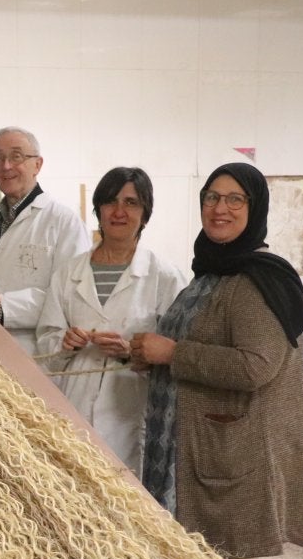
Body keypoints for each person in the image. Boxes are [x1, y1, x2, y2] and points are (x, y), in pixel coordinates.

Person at [131, 163, 303, 559]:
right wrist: (154, 357)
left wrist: (173, 353)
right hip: (188, 447)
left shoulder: (255, 281)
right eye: (212, 197)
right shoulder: (213, 270)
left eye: (235, 199)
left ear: (255, 208)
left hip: (230, 458)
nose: (220, 208)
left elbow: (255, 366)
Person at [36, 168, 189, 474]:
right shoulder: (69, 273)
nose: (119, 211)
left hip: (131, 415)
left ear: (145, 214)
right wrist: (65, 343)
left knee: (129, 502)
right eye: (110, 202)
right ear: (98, 210)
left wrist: (132, 352)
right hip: (74, 409)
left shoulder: (164, 277)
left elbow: (179, 355)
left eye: (131, 203)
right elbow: (46, 346)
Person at [0, 126, 90, 354]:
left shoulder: (64, 222)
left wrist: (4, 307)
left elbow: (70, 298)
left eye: (16, 156)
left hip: (37, 357)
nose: (6, 166)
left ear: (37, 164)